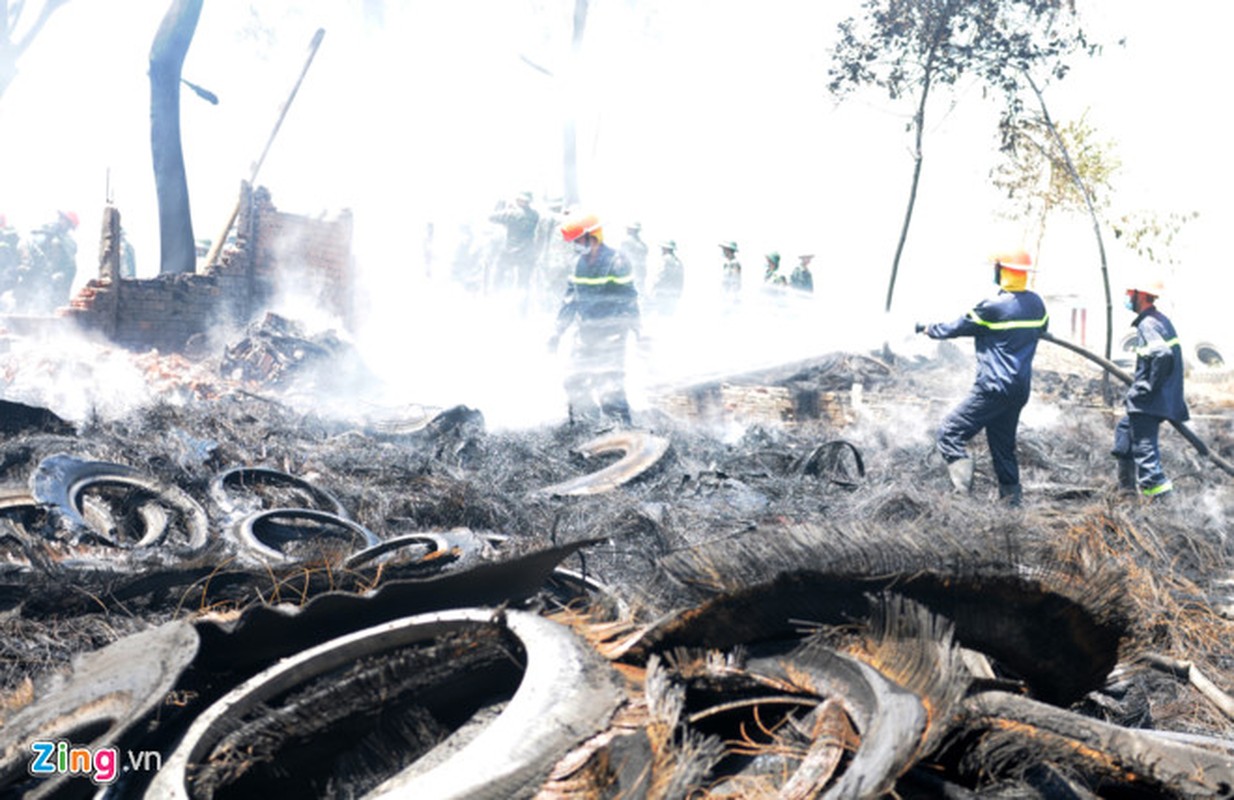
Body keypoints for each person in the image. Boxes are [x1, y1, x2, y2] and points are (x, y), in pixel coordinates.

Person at [915, 249, 1049, 506]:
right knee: (1002, 446)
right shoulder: (1036, 304)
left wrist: (929, 329)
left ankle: (961, 498)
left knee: (949, 433)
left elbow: (957, 327)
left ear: (1003, 271)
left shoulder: (993, 306)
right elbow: (1043, 326)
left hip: (993, 387)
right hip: (1019, 390)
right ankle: (1011, 504)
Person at [547, 212, 641, 427]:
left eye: (577, 240)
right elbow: (569, 301)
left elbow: (629, 298)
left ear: (592, 236)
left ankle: (622, 429)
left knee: (609, 386)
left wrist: (637, 330)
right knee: (573, 381)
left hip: (612, 335)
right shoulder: (578, 264)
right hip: (585, 333)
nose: (575, 246)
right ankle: (588, 427)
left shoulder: (616, 262)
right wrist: (557, 332)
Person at [1111, 276, 1188, 500]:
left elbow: (1162, 355)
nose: (1127, 298)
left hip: (1149, 403)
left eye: (1130, 293)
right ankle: (1126, 493)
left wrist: (1145, 388)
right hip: (1154, 400)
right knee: (1124, 434)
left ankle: (1162, 504)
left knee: (1145, 454)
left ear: (1142, 296)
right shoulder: (1157, 320)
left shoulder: (1149, 324)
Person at [19, 210, 78, 312]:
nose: (60, 221)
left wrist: (59, 275)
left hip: (54, 279)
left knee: (49, 301)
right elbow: (29, 245)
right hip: (38, 273)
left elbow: (70, 267)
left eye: (63, 220)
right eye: (60, 218)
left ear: (68, 225)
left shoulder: (68, 243)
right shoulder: (45, 231)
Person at [488, 190, 540, 296]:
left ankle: (494, 295)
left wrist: (501, 207)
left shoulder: (511, 213)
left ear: (519, 200)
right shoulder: (535, 215)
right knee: (524, 283)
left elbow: (491, 217)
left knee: (498, 272)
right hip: (527, 253)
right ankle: (522, 307)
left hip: (511, 252)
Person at [649, 239, 684, 317]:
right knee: (668, 316)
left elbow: (660, 276)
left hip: (662, 294)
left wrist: (653, 290)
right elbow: (681, 281)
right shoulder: (678, 262)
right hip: (674, 295)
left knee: (660, 316)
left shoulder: (665, 260)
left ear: (666, 248)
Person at [619, 221, 649, 292]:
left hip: (630, 273)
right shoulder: (643, 245)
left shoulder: (626, 242)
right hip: (641, 273)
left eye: (628, 228)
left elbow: (621, 258)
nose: (627, 230)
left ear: (632, 230)